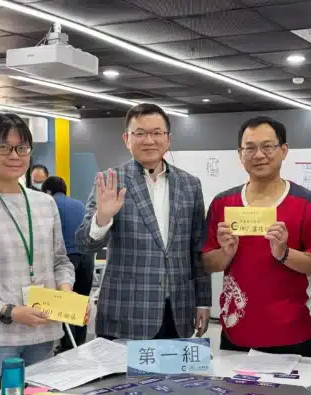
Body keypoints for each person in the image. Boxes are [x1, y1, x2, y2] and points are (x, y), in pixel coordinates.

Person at [75, 103, 210, 340]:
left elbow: (197, 248)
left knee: (176, 378)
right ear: (127, 139)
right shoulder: (110, 181)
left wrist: (203, 302)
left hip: (177, 310)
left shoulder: (190, 184)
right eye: (140, 133)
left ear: (168, 139)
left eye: (157, 133)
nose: (149, 140)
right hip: (126, 312)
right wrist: (103, 218)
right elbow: (85, 244)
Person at [0, 114, 75, 373]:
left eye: (22, 148)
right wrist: (8, 311)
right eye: (3, 147)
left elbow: (60, 261)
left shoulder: (45, 203)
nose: (14, 155)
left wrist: (65, 290)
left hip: (45, 334)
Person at [202, 116, 311, 355]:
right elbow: (208, 264)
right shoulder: (222, 203)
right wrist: (225, 253)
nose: (258, 155)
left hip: (295, 330)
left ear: (284, 150)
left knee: (295, 394)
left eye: (267, 146)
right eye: (249, 148)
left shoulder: (307, 203)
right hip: (236, 329)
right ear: (240, 155)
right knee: (233, 393)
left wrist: (284, 253)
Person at [42, 175, 93, 352]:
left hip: (66, 259)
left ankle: (66, 347)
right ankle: (80, 343)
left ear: (47, 191)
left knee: (64, 303)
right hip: (86, 257)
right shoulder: (79, 204)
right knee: (81, 301)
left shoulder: (47, 204)